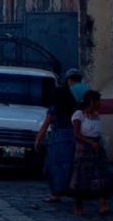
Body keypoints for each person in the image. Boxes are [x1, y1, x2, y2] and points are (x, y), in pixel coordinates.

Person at [35, 68, 83, 201]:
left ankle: (55, 193)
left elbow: (46, 122)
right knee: (73, 165)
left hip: (58, 138)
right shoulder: (78, 101)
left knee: (55, 166)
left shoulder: (56, 105)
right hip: (73, 136)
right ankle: (73, 191)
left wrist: (38, 138)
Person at [69, 89, 111, 216]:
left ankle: (103, 203)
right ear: (92, 101)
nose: (100, 104)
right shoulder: (79, 115)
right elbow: (76, 134)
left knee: (100, 175)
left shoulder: (96, 116)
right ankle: (78, 205)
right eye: (98, 101)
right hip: (83, 149)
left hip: (97, 147)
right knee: (81, 177)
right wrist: (89, 142)